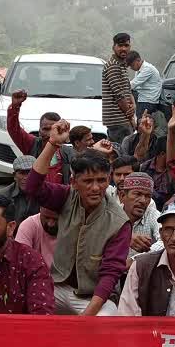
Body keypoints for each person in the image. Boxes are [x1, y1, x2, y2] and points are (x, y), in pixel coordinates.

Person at [25, 120, 130, 316]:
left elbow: (110, 274)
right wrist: (52, 143)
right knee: (28, 307)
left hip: (92, 297)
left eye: (101, 180)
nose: (96, 188)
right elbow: (32, 187)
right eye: (88, 181)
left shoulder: (119, 221)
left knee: (107, 318)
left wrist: (87, 317)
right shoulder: (66, 196)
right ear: (74, 182)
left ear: (109, 180)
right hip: (57, 286)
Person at [6, 90, 70, 184]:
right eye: (46, 129)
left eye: (54, 129)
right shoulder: (32, 144)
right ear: (39, 131)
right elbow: (13, 129)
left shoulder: (67, 153)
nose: (50, 134)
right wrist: (15, 107)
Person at [102, 32, 137, 144]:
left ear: (130, 47)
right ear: (114, 47)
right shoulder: (113, 66)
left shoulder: (121, 65)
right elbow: (119, 96)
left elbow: (127, 89)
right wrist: (131, 117)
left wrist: (134, 105)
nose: (123, 49)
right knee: (123, 156)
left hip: (123, 119)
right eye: (120, 45)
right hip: (118, 120)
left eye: (126, 46)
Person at [118, 174, 161, 259]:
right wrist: (125, 236)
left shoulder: (153, 215)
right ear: (122, 196)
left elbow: (165, 241)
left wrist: (135, 260)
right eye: (137, 194)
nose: (143, 201)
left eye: (148, 196)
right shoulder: (111, 215)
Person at [0, 155, 41, 224]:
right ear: (14, 176)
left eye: (29, 173)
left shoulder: (45, 192)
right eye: (22, 173)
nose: (26, 178)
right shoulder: (4, 195)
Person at [127, 50, 162, 120]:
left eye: (132, 65)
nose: (131, 68)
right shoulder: (139, 70)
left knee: (141, 124)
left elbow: (133, 84)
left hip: (148, 101)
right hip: (142, 98)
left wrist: (120, 86)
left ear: (138, 60)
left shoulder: (148, 69)